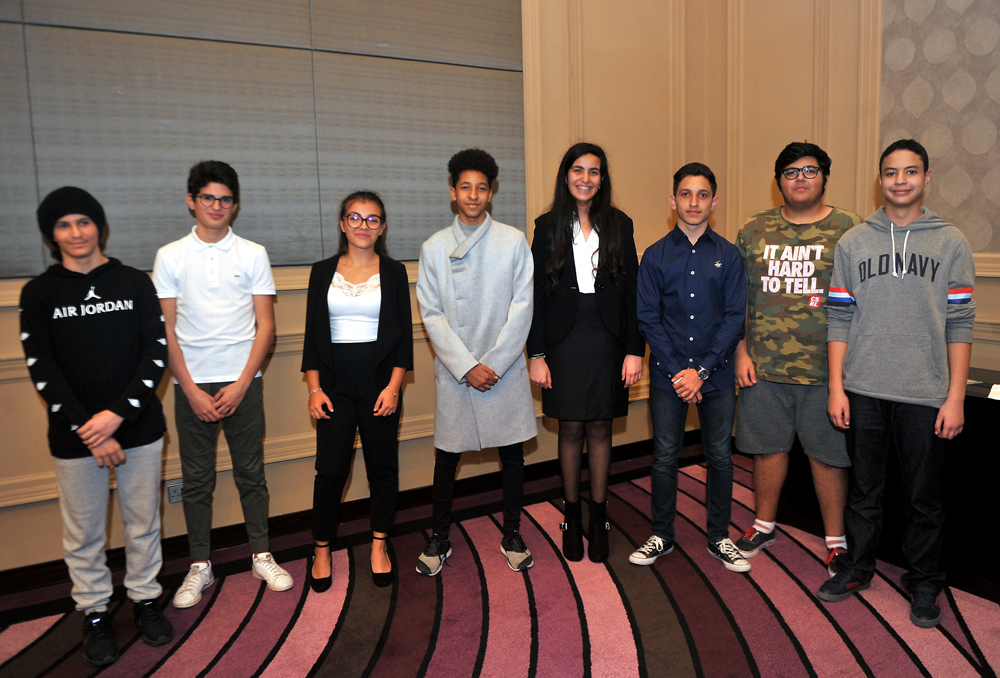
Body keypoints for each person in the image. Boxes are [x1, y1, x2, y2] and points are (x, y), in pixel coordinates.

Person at [818, 139, 975, 628]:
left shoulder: (951, 242)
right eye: (891, 172)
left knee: (923, 497)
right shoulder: (853, 242)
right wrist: (837, 387)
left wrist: (954, 397)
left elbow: (960, 322)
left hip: (925, 393)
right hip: (863, 389)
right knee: (864, 491)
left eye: (910, 171)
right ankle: (858, 566)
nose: (900, 180)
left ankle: (925, 580)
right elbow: (839, 317)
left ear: (926, 178)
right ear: (880, 179)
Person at [20, 187, 173, 666]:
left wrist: (115, 417)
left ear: (98, 227)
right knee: (83, 532)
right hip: (76, 436)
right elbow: (42, 368)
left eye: (83, 222)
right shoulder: (39, 293)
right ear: (52, 235)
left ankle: (145, 599)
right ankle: (94, 612)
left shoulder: (133, 282)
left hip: (138, 426)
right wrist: (90, 427)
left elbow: (155, 352)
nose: (76, 233)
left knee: (142, 523)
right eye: (64, 225)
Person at [153, 160, 293, 608]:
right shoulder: (170, 256)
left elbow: (266, 326)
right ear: (192, 201)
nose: (216, 206)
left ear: (235, 204)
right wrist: (191, 390)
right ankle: (200, 565)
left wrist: (242, 383)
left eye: (225, 199)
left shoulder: (252, 253)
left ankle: (261, 554)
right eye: (208, 198)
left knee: (252, 474)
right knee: (196, 480)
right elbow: (166, 331)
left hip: (244, 382)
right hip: (191, 384)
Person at [732, 142, 862, 572]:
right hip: (762, 368)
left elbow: (863, 300)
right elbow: (737, 298)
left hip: (827, 372)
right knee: (766, 449)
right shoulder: (754, 230)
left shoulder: (849, 229)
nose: (800, 179)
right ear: (778, 182)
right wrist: (740, 350)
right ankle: (763, 524)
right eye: (790, 172)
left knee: (829, 456)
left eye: (809, 170)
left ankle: (836, 540)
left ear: (824, 177)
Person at [415, 148, 537, 575]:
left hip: (503, 368)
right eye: (465, 187)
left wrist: (495, 363)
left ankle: (512, 533)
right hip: (457, 372)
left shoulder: (513, 241)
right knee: (447, 459)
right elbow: (431, 314)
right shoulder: (433, 248)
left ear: (491, 193)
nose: (472, 195)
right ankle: (440, 537)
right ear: (452, 192)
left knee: (512, 456)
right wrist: (467, 366)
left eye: (481, 188)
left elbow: (523, 307)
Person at [527, 142, 644, 562]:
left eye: (594, 171)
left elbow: (633, 291)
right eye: (578, 170)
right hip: (563, 341)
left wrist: (635, 350)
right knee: (571, 427)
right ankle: (572, 515)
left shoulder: (620, 224)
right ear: (566, 176)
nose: (585, 178)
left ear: (602, 178)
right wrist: (536, 354)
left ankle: (599, 516)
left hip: (608, 340)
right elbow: (534, 295)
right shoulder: (547, 226)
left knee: (600, 427)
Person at [633, 163, 749, 572]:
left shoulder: (729, 256)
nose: (693, 202)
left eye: (702, 195)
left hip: (717, 375)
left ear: (714, 202)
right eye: (686, 194)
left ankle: (719, 536)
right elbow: (648, 319)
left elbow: (734, 319)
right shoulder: (654, 256)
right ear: (673, 200)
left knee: (720, 456)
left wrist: (700, 372)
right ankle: (662, 534)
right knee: (665, 455)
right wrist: (679, 372)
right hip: (669, 377)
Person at [301, 191, 412, 591]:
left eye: (372, 219)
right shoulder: (321, 272)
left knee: (382, 468)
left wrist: (394, 388)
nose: (363, 225)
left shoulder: (395, 272)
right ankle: (321, 549)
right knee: (331, 471)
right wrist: (314, 390)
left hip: (381, 385)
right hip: (333, 387)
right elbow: (312, 338)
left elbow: (403, 338)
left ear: (382, 227)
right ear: (342, 223)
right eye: (355, 217)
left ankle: (379, 545)